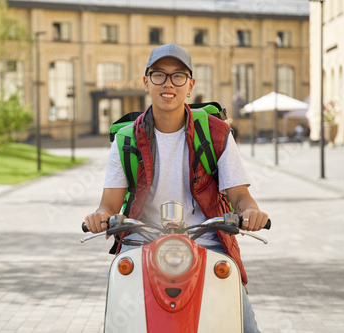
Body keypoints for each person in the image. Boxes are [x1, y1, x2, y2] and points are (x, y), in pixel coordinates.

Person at [84, 43, 269, 333]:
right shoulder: (125, 139)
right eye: (159, 75)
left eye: (178, 76)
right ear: (146, 82)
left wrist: (251, 211)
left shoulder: (216, 133)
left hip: (206, 242)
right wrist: (99, 216)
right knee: (120, 322)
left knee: (245, 324)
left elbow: (241, 196)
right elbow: (108, 205)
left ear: (190, 84)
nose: (168, 84)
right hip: (141, 243)